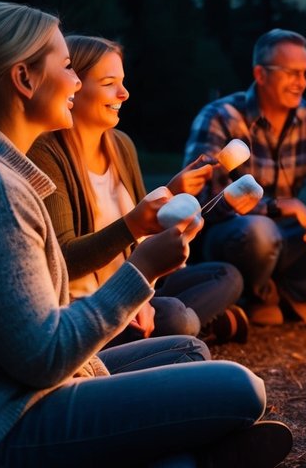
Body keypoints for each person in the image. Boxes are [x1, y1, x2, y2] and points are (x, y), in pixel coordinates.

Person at [0, 2, 292, 468]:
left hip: (4, 392)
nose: (75, 80)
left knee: (187, 352)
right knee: (240, 389)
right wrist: (141, 270)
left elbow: (28, 321)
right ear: (23, 77)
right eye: (68, 66)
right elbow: (42, 355)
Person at [30, 35, 249, 347]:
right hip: (88, 306)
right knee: (175, 317)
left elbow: (141, 238)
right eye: (109, 83)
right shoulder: (46, 154)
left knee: (227, 276)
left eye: (122, 81)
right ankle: (198, 327)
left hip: (138, 284)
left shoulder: (121, 145)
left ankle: (186, 327)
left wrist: (173, 193)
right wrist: (134, 228)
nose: (124, 93)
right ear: (73, 86)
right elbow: (64, 260)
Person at [184, 28, 306, 326]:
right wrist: (275, 206)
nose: (301, 82)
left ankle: (292, 291)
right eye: (291, 73)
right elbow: (203, 200)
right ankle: (258, 296)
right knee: (260, 231)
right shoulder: (219, 117)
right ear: (261, 74)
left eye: (305, 74)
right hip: (231, 238)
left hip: (285, 238)